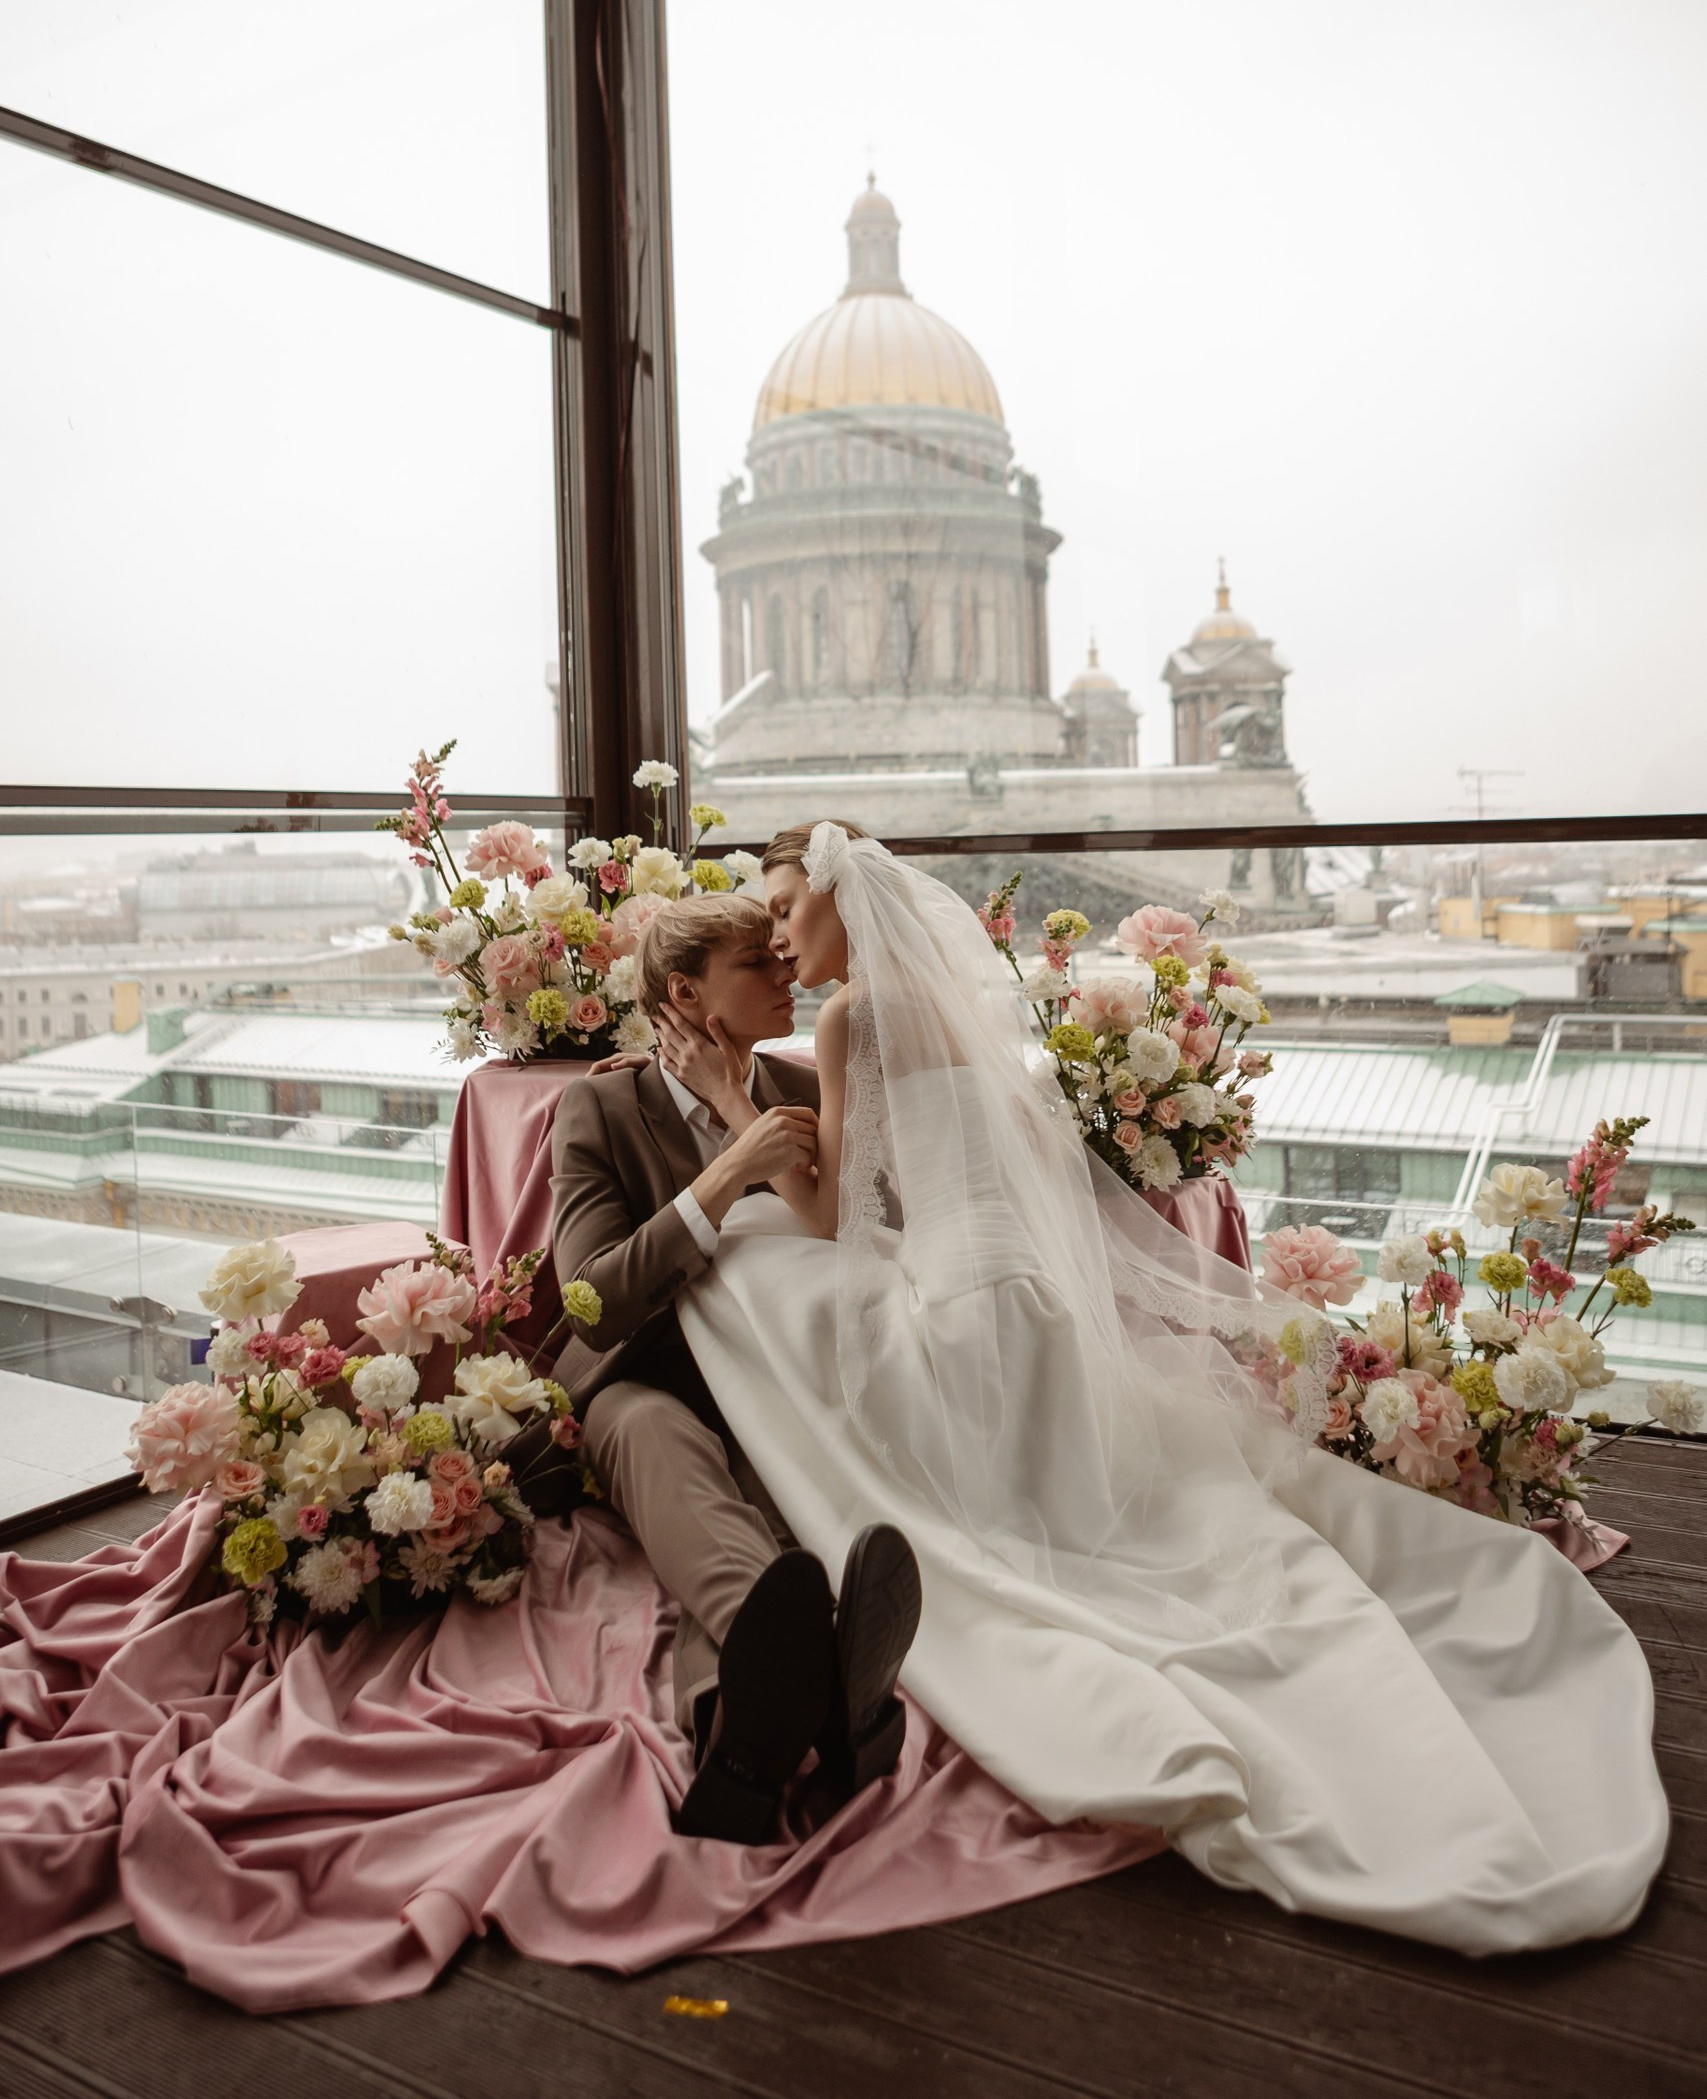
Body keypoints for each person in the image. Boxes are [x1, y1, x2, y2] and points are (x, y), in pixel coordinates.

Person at [652, 821, 1670, 1955]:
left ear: (846, 899)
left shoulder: (850, 1016)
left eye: (790, 909)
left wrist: (741, 1127)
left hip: (950, 1321)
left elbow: (832, 1216)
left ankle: (800, 1487)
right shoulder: (958, 1002)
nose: (783, 942)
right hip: (1032, 1306)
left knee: (741, 1259)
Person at [543, 891, 921, 1846]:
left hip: (776, 1384)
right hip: (643, 1379)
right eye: (759, 963)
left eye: (781, 954)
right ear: (686, 990)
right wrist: (723, 1175)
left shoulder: (805, 1090)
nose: (788, 971)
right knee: (665, 1450)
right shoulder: (600, 1103)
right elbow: (590, 1298)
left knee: (761, 1527)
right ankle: (840, 1704)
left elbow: (878, 1237)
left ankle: (734, 1739)